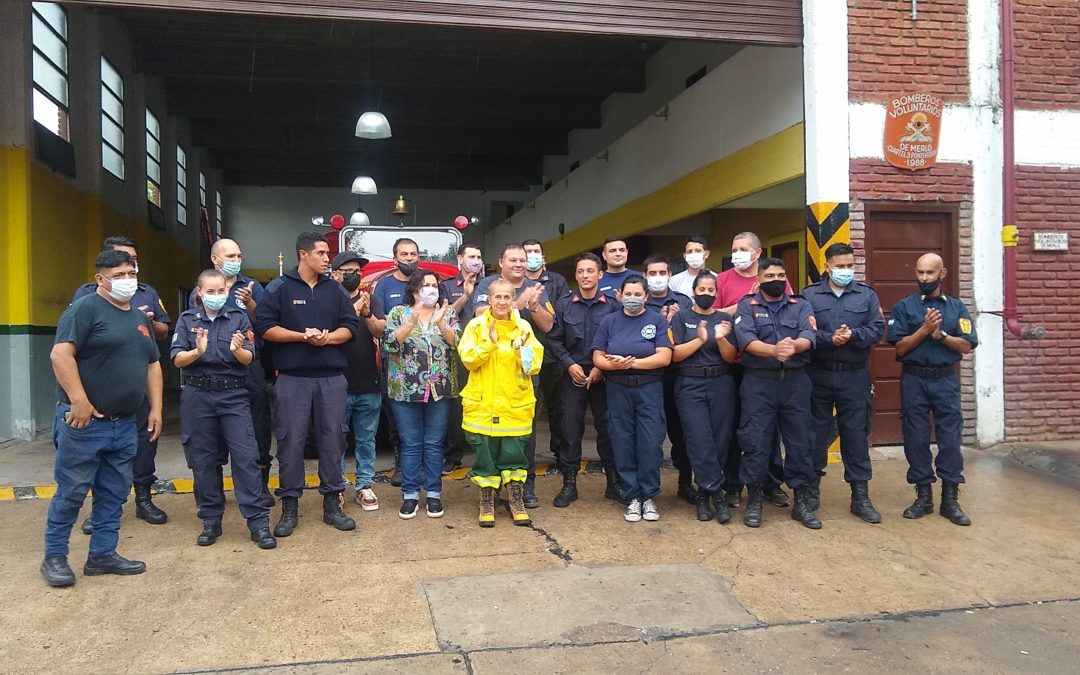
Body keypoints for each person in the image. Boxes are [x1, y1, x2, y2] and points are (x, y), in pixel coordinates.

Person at [42, 249, 163, 587]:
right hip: (85, 425)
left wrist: (155, 408)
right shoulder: (84, 310)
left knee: (113, 493)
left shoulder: (139, 319)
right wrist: (78, 400)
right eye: (119, 275)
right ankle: (54, 557)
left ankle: (102, 554)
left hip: (124, 424)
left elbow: (152, 363)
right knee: (72, 492)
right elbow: (60, 353)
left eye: (131, 273)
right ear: (100, 279)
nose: (127, 280)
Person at [255, 231, 361, 537]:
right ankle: (290, 506)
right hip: (293, 379)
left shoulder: (335, 290)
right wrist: (302, 336)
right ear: (303, 254)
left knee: (333, 440)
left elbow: (350, 327)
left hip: (331, 379)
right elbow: (264, 327)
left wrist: (326, 338)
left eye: (328, 254)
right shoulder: (279, 288)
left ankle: (332, 505)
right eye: (322, 253)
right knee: (291, 442)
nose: (328, 259)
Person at [171, 270, 276, 549]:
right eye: (211, 291)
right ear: (200, 292)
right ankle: (211, 521)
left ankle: (258, 524)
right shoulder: (187, 320)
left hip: (233, 395)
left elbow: (248, 357)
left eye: (221, 291)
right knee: (203, 460)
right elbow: (177, 359)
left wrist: (236, 350)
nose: (217, 296)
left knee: (246, 457)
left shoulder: (239, 318)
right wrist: (197, 352)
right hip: (198, 395)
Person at [72, 236, 170, 531]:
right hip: (100, 392)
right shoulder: (87, 296)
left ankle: (143, 498)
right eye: (122, 261)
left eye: (133, 263)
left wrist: (149, 321)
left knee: (144, 442)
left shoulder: (147, 292)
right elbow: (69, 345)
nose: (129, 269)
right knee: (98, 451)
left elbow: (163, 331)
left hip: (136, 388)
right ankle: (100, 509)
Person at [886, 252, 978, 526]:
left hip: (945, 379)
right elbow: (899, 347)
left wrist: (942, 335)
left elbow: (967, 345)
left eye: (930, 273)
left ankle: (950, 499)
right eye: (920, 272)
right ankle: (923, 495)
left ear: (943, 273)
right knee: (915, 436)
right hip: (914, 379)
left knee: (950, 437)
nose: (924, 278)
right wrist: (924, 330)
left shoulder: (956, 308)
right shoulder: (905, 307)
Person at [733, 258, 818, 529]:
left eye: (781, 274)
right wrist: (774, 350)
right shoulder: (747, 306)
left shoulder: (800, 304)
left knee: (800, 443)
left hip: (795, 383)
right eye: (769, 275)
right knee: (755, 442)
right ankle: (755, 499)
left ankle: (802, 501)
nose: (776, 279)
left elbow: (810, 335)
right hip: (760, 384)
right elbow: (745, 340)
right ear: (758, 279)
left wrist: (794, 347)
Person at [803, 243, 885, 524]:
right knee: (815, 435)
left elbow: (878, 329)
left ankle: (860, 496)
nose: (846, 271)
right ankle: (811, 491)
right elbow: (804, 328)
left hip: (854, 375)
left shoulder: (866, 295)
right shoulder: (810, 294)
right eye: (840, 266)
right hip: (819, 374)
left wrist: (853, 335)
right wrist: (829, 338)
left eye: (850, 266)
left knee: (855, 435)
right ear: (827, 267)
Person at [468, 243, 554, 508]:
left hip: (522, 378)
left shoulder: (536, 287)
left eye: (522, 260)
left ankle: (523, 490)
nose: (518, 264)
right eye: (513, 260)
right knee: (492, 442)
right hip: (490, 381)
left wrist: (536, 305)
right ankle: (491, 493)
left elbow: (549, 324)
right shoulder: (488, 286)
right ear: (501, 262)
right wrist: (518, 300)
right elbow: (484, 314)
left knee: (523, 439)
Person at [713, 231, 790, 509]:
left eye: (743, 248)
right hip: (731, 364)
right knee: (735, 428)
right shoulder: (722, 280)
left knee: (768, 430)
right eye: (735, 249)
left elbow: (786, 311)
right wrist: (747, 303)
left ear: (757, 253)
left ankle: (772, 484)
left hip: (765, 367)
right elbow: (714, 315)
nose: (737, 253)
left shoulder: (774, 279)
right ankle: (733, 484)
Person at [458, 278, 543, 526]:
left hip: (514, 405)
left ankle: (516, 499)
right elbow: (468, 359)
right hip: (483, 404)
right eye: (498, 297)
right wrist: (490, 343)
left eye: (507, 297)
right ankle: (487, 501)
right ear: (489, 299)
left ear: (513, 298)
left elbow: (533, 365)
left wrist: (521, 350)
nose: (503, 302)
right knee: (485, 455)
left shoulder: (524, 327)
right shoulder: (475, 326)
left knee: (515, 455)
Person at [592, 275, 673, 523]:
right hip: (618, 390)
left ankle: (648, 496)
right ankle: (631, 497)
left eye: (638, 294)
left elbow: (664, 357)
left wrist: (631, 363)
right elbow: (598, 356)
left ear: (646, 297)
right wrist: (613, 366)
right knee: (622, 440)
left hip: (649, 389)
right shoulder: (609, 321)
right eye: (628, 294)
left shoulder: (657, 321)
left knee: (649, 443)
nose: (633, 298)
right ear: (619, 295)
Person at [201, 237, 275, 507]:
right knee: (214, 429)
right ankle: (216, 490)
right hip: (213, 367)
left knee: (257, 425)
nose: (235, 261)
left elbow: (266, 325)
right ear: (215, 259)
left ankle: (260, 486)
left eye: (238, 256)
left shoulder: (252, 287)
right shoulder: (204, 287)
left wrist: (252, 304)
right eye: (230, 256)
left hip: (248, 365)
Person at [383, 269, 461, 519]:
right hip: (405, 389)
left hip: (440, 389)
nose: (431, 289)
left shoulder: (447, 313)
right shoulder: (398, 312)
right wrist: (410, 323)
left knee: (434, 443)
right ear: (415, 289)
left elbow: (456, 342)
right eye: (426, 285)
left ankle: (435, 495)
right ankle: (410, 495)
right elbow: (388, 344)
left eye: (434, 285)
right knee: (411, 443)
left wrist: (440, 323)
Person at [547, 253, 620, 505]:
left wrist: (602, 366)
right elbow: (554, 339)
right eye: (581, 271)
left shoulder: (613, 304)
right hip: (573, 374)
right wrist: (569, 364)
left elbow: (619, 338)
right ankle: (569, 484)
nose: (586, 276)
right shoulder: (565, 304)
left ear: (600, 274)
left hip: (605, 375)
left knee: (608, 428)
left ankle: (613, 482)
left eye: (591, 271)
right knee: (570, 428)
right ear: (575, 275)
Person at [670, 272, 739, 524]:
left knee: (721, 438)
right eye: (702, 289)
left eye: (711, 290)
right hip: (689, 383)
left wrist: (720, 339)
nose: (707, 294)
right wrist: (700, 340)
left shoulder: (723, 318)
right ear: (693, 291)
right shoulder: (681, 317)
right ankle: (713, 493)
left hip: (721, 382)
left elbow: (731, 357)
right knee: (699, 438)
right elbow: (675, 354)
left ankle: (706, 492)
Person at [330, 251, 382, 512]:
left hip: (368, 382)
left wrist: (368, 312)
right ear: (336, 273)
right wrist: (354, 310)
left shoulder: (369, 298)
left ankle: (364, 485)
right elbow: (330, 329)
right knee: (337, 439)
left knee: (366, 439)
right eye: (348, 270)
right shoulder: (327, 298)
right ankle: (336, 486)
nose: (354, 275)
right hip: (336, 382)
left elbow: (380, 331)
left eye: (358, 271)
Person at [642, 253, 696, 503]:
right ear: (645, 276)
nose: (657, 278)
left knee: (682, 432)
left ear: (670, 276)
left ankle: (685, 482)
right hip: (648, 377)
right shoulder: (638, 302)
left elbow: (689, 338)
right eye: (652, 274)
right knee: (648, 435)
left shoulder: (684, 303)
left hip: (678, 376)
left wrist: (673, 324)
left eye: (662, 273)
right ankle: (645, 487)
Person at [522, 238, 571, 500]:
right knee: (530, 412)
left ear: (544, 257)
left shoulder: (556, 281)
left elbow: (560, 317)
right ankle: (524, 470)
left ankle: (561, 455)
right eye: (527, 252)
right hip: (524, 360)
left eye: (535, 252)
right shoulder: (514, 285)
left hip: (551, 354)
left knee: (558, 409)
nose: (531, 257)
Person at [370, 237, 421, 488]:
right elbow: (379, 324)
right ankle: (402, 463)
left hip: (426, 365)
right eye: (404, 254)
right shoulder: (383, 285)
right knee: (397, 415)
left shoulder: (427, 282)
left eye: (413, 254)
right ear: (395, 258)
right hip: (394, 362)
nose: (409, 258)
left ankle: (425, 463)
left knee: (427, 416)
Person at [442, 243, 484, 475]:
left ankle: (483, 457)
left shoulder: (489, 285)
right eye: (471, 256)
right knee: (456, 405)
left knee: (482, 403)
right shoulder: (447, 286)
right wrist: (466, 296)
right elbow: (445, 315)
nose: (476, 260)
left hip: (485, 352)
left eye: (479, 256)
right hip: (457, 352)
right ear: (460, 259)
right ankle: (453, 455)